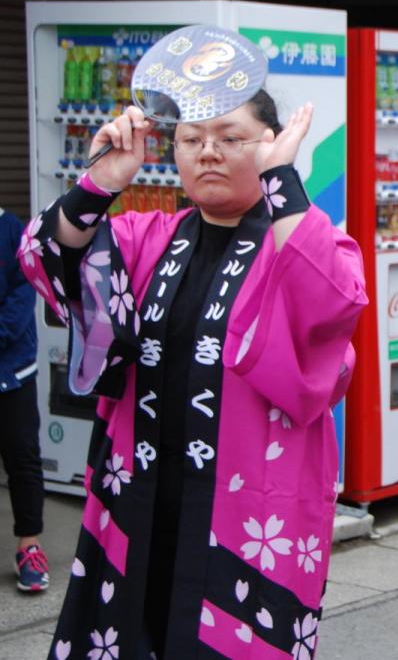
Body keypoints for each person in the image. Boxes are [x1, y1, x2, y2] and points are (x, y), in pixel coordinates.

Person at [19, 91, 367, 658]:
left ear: (270, 144)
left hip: (250, 512)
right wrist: (99, 184)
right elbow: (46, 259)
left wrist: (283, 183)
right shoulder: (145, 238)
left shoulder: (306, 240)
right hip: (141, 500)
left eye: (230, 138)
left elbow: (331, 308)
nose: (208, 152)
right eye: (191, 139)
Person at [2, 207, 48, 593]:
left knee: (23, 458)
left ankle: (29, 545)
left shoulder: (12, 231)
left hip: (11, 373)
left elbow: (18, 308)